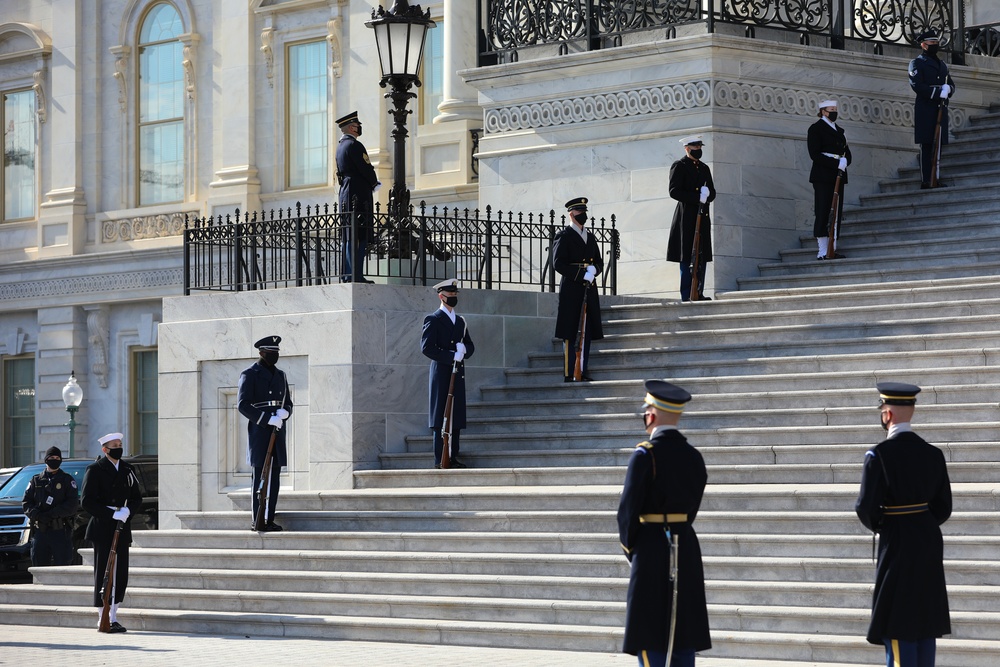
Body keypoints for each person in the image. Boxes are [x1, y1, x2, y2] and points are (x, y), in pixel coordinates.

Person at [855, 382, 952, 667]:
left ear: (887, 414)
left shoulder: (879, 455)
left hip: (897, 540)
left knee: (898, 622)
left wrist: (887, 523)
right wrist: (920, 521)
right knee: (924, 622)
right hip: (927, 539)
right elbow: (943, 507)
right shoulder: (933, 454)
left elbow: (865, 508)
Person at [617, 380, 711, 667]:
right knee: (683, 630)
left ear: (652, 414)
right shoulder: (693, 456)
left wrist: (634, 549)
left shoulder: (645, 454)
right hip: (685, 543)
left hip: (651, 546)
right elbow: (692, 507)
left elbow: (628, 512)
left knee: (651, 632)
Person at [81, 433, 143, 633]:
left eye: (120, 444)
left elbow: (137, 498)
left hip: (121, 527)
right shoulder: (95, 470)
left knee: (120, 574)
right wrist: (111, 513)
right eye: (114, 445)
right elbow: (87, 501)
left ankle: (114, 615)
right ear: (104, 449)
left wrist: (127, 511)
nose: (118, 447)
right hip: (103, 526)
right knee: (104, 572)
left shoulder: (127, 469)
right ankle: (102, 617)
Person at [237, 335, 293, 531]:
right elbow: (243, 405)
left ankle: (268, 518)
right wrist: (267, 419)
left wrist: (285, 412)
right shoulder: (250, 374)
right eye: (271, 353)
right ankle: (258, 519)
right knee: (261, 475)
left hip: (277, 430)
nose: (274, 356)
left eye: (276, 353)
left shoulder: (281, 375)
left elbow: (288, 401)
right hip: (260, 431)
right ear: (261, 353)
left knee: (274, 476)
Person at [421, 279, 475, 469]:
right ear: (441, 296)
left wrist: (464, 351)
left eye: (455, 295)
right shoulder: (433, 319)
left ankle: (453, 456)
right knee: (440, 416)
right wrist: (451, 355)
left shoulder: (460, 321)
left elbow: (470, 345)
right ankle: (440, 458)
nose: (453, 298)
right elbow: (427, 348)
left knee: (456, 415)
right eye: (449, 296)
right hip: (442, 373)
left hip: (457, 373)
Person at [552, 197, 604, 382]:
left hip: (588, 288)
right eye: (580, 213)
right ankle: (569, 371)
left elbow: (599, 261)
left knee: (586, 329)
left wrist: (594, 270)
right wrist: (580, 274)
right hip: (572, 288)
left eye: (584, 213)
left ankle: (582, 368)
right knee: (571, 329)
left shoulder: (590, 237)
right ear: (571, 214)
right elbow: (558, 264)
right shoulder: (564, 236)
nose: (583, 216)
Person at [667, 137, 716, 301]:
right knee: (687, 255)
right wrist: (696, 197)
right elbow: (674, 191)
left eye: (700, 145)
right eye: (695, 146)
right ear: (686, 148)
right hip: (686, 217)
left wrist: (707, 195)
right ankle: (687, 293)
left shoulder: (704, 168)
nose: (698, 148)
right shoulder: (679, 166)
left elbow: (713, 192)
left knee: (701, 255)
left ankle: (699, 291)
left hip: (702, 216)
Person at [336, 110, 380, 283]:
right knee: (360, 235)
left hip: (346, 192)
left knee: (348, 235)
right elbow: (366, 168)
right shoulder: (355, 145)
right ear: (352, 128)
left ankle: (347, 273)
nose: (359, 128)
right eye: (357, 126)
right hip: (358, 192)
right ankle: (356, 274)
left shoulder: (340, 146)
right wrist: (374, 183)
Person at [909, 31, 956, 189]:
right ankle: (926, 179)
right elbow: (917, 85)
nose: (934, 46)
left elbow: (951, 83)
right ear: (923, 45)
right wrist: (937, 93)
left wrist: (948, 89)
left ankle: (935, 177)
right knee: (927, 144)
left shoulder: (942, 65)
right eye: (931, 44)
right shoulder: (917, 63)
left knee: (939, 144)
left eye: (936, 44)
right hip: (926, 108)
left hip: (940, 108)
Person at [808, 100, 852, 260]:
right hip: (823, 174)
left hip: (838, 175)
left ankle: (832, 247)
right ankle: (822, 250)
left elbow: (847, 152)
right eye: (831, 109)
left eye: (835, 109)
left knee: (836, 211)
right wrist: (836, 163)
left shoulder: (840, 131)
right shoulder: (816, 129)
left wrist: (845, 161)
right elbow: (814, 154)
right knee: (823, 210)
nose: (834, 112)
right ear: (823, 111)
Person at [22, 445, 79, 567]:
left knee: (63, 566)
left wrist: (51, 514)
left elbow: (72, 505)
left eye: (58, 457)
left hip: (60, 531)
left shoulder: (67, 480)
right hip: (40, 531)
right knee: (39, 567)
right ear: (46, 459)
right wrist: (37, 515)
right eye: (52, 457)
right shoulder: (36, 480)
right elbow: (26, 503)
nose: (55, 459)